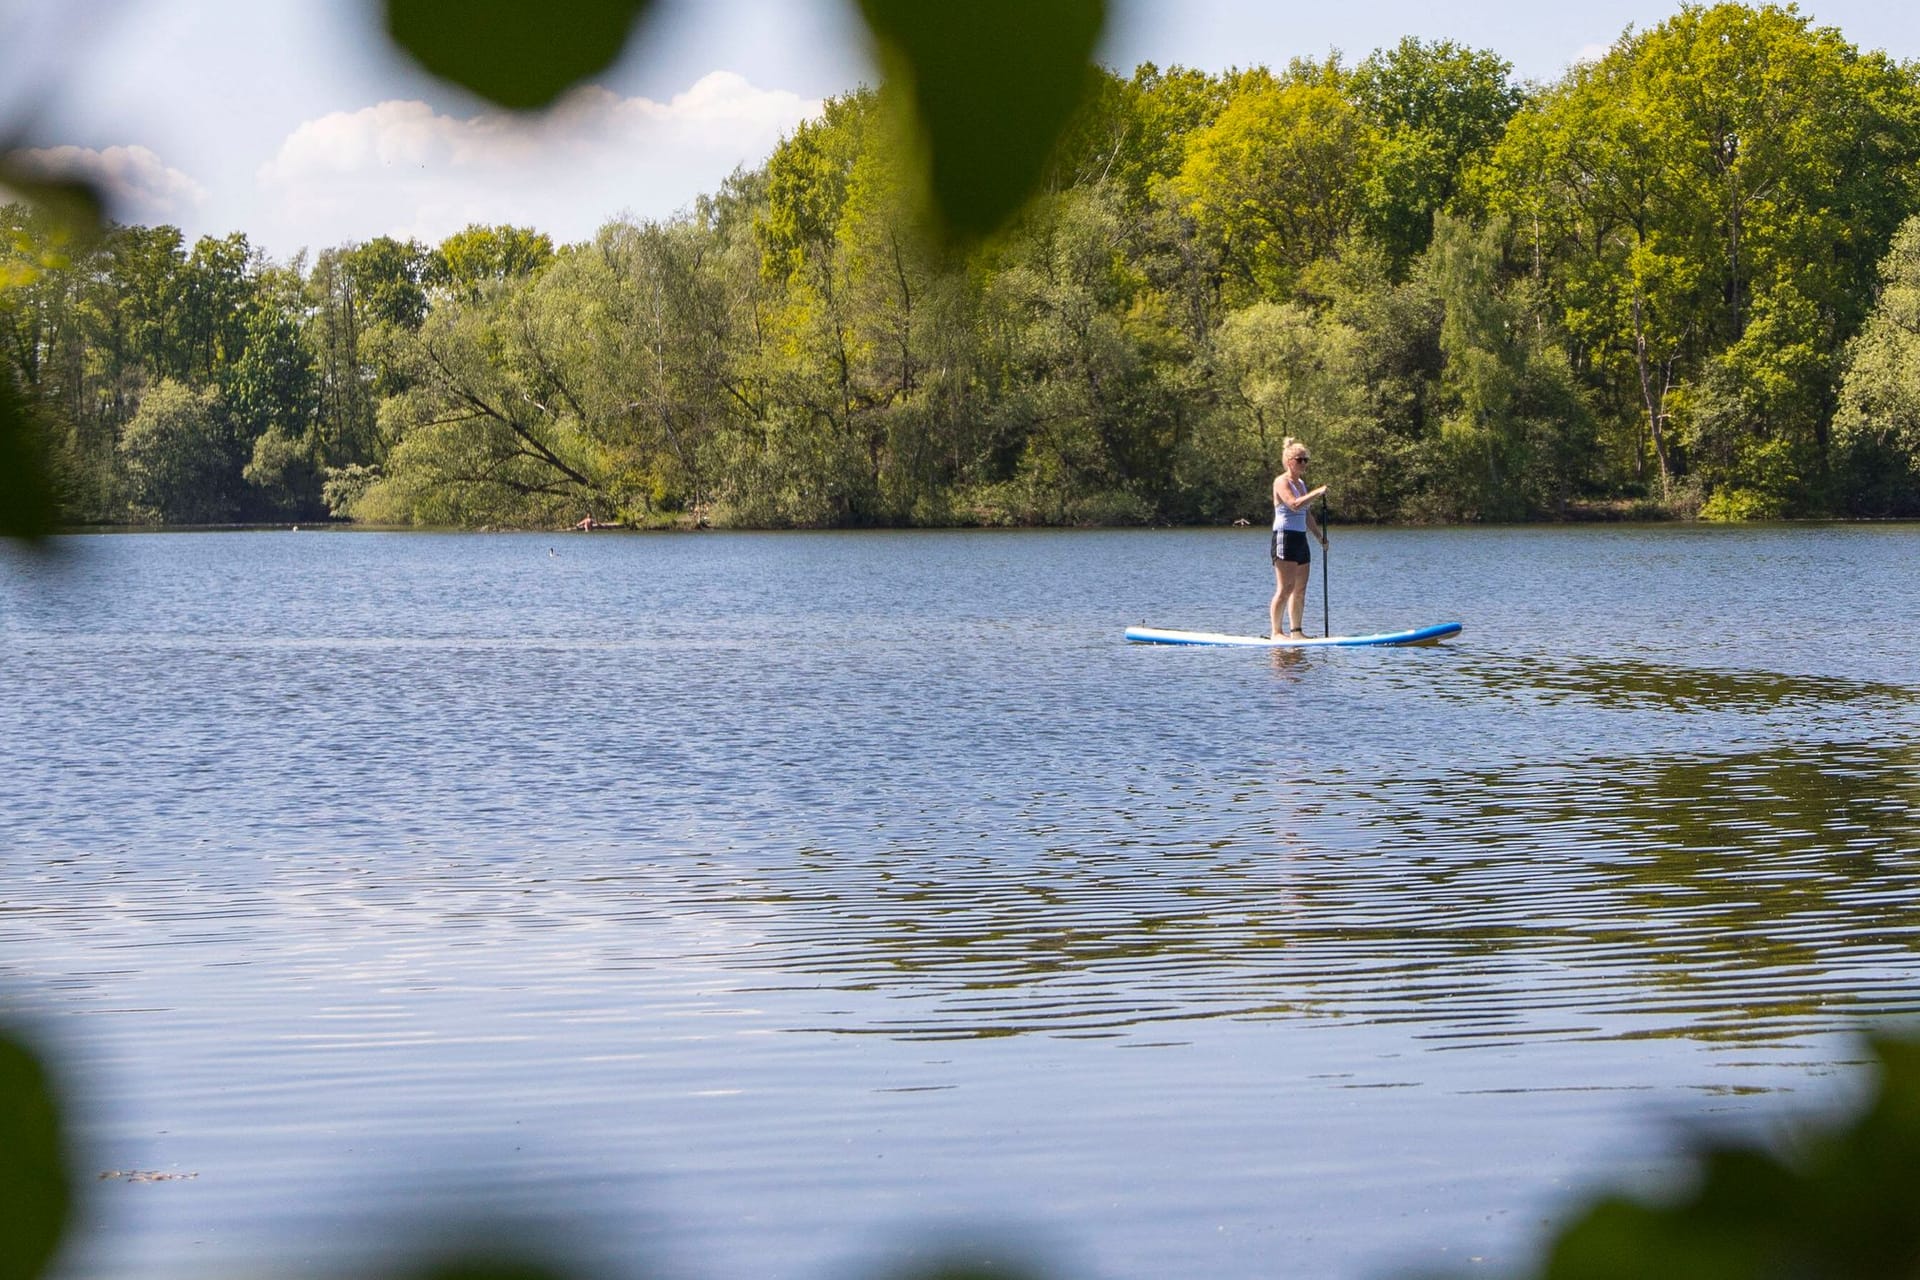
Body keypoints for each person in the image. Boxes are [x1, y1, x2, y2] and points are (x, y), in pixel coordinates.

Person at [1269, 437, 1328, 639]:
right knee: (1285, 588)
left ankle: (1297, 632)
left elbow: (1306, 514)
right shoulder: (1281, 481)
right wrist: (1317, 492)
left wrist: (1320, 537)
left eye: (1306, 460)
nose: (1304, 463)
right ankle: (1276, 632)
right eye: (1300, 459)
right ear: (1289, 461)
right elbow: (1294, 504)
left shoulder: (1301, 483)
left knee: (1300, 589)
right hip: (1284, 537)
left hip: (1300, 538)